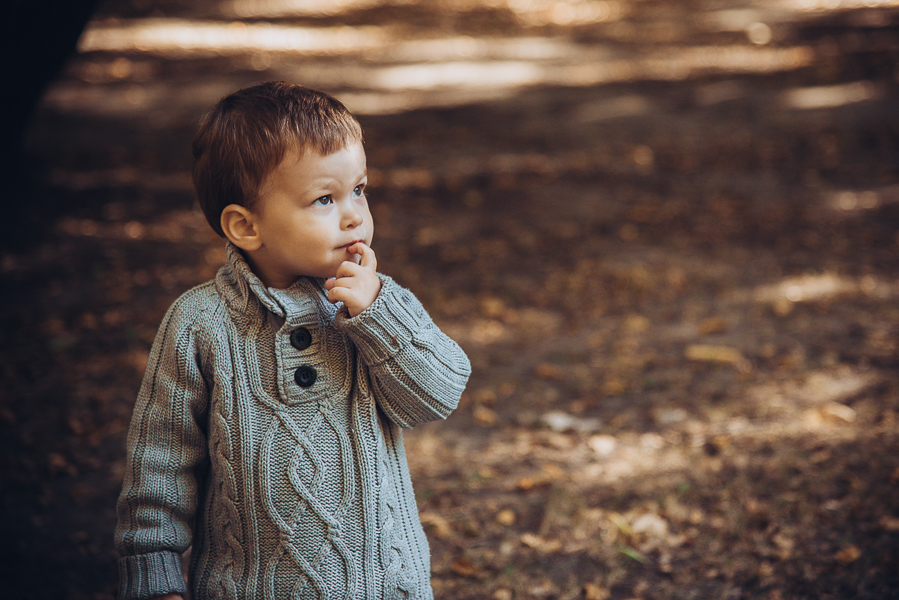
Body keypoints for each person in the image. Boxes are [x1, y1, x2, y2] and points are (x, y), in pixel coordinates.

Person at [114, 81, 471, 600]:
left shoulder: (374, 304)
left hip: (385, 587)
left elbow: (437, 397)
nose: (353, 214)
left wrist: (379, 315)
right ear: (246, 226)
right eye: (324, 198)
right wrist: (154, 577)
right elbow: (159, 467)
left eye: (360, 190)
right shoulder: (200, 325)